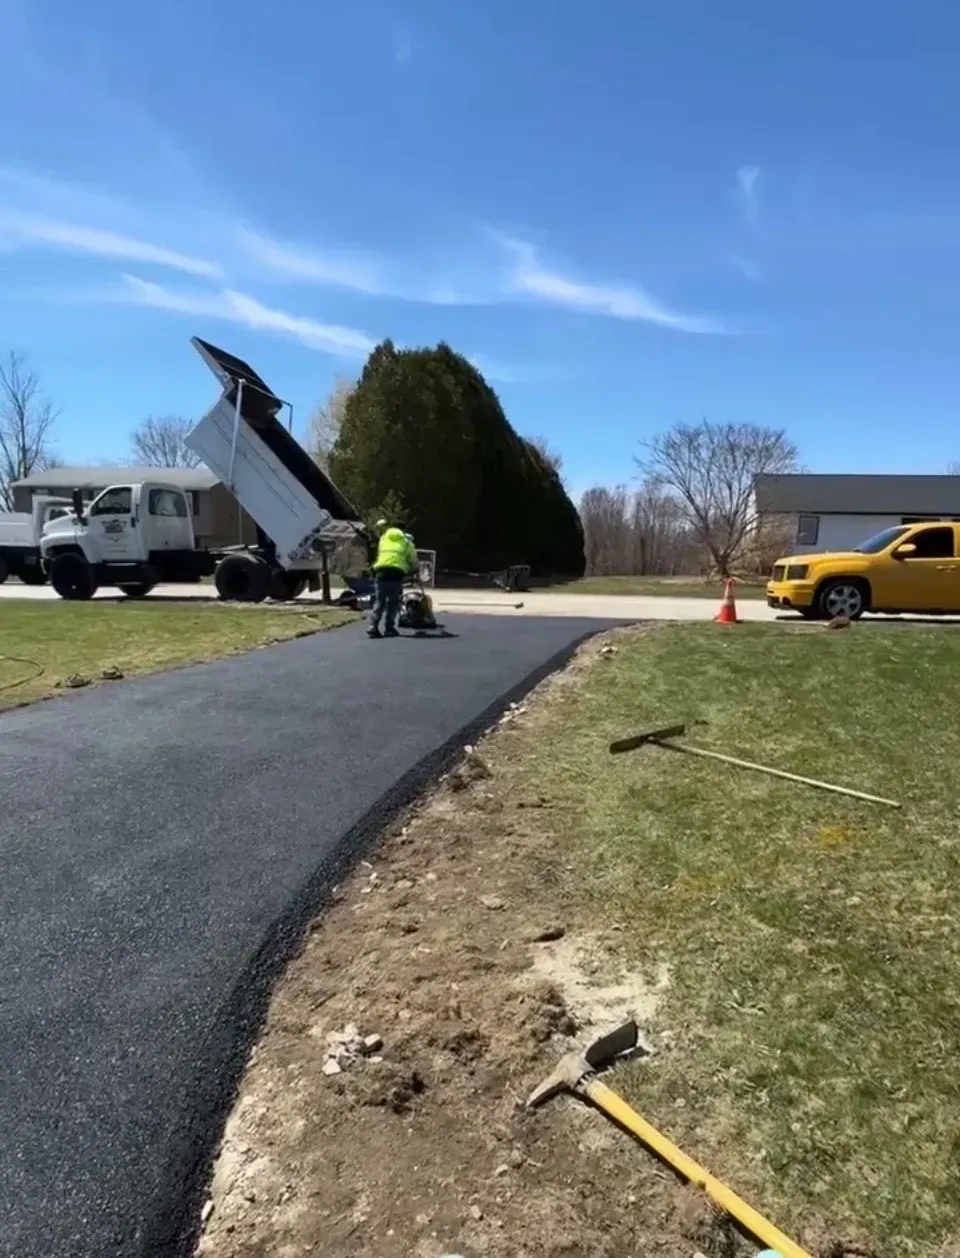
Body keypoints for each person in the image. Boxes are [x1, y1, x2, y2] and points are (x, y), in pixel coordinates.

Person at [368, 524, 417, 638]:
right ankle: (389, 628)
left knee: (379, 600)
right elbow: (413, 560)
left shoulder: (384, 539)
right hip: (395, 572)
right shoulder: (407, 543)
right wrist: (415, 569)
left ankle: (372, 626)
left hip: (380, 571)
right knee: (393, 601)